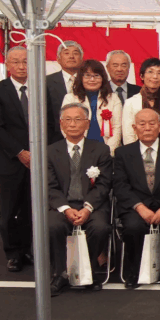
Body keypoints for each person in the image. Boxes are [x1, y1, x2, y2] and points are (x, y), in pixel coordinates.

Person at [113, 108, 160, 288]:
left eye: (152, 123)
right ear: (134, 128)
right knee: (133, 227)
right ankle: (134, 270)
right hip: (136, 207)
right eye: (142, 124)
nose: (147, 128)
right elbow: (120, 185)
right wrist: (140, 208)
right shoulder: (123, 153)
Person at [46, 103, 113, 295]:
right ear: (61, 123)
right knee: (53, 226)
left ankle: (87, 271)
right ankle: (61, 273)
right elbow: (50, 186)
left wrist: (87, 208)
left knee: (100, 227)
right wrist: (65, 208)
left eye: (78, 119)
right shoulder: (50, 151)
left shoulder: (101, 150)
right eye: (68, 120)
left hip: (91, 205)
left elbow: (103, 184)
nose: (73, 124)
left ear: (87, 123)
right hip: (62, 205)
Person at [0, 46, 33, 271]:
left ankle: (28, 249)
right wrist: (20, 152)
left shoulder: (40, 89)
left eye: (25, 61)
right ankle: (13, 253)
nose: (21, 66)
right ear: (8, 65)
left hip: (37, 160)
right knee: (9, 209)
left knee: (30, 209)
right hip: (9, 160)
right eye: (16, 62)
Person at [63, 59, 122, 155]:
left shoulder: (113, 98)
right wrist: (77, 149)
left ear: (103, 78)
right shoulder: (70, 98)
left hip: (107, 150)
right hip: (79, 151)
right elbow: (65, 126)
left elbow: (117, 127)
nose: (92, 80)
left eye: (96, 75)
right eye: (87, 75)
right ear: (81, 78)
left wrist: (108, 151)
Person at [122, 57, 160, 145]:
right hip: (137, 151)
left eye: (159, 73)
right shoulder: (130, 103)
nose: (155, 76)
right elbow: (128, 136)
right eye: (150, 72)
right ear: (142, 76)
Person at [47, 40, 83, 142]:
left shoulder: (89, 81)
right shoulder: (46, 82)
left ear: (81, 59)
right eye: (66, 53)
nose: (71, 56)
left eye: (75, 53)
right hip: (55, 140)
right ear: (58, 59)